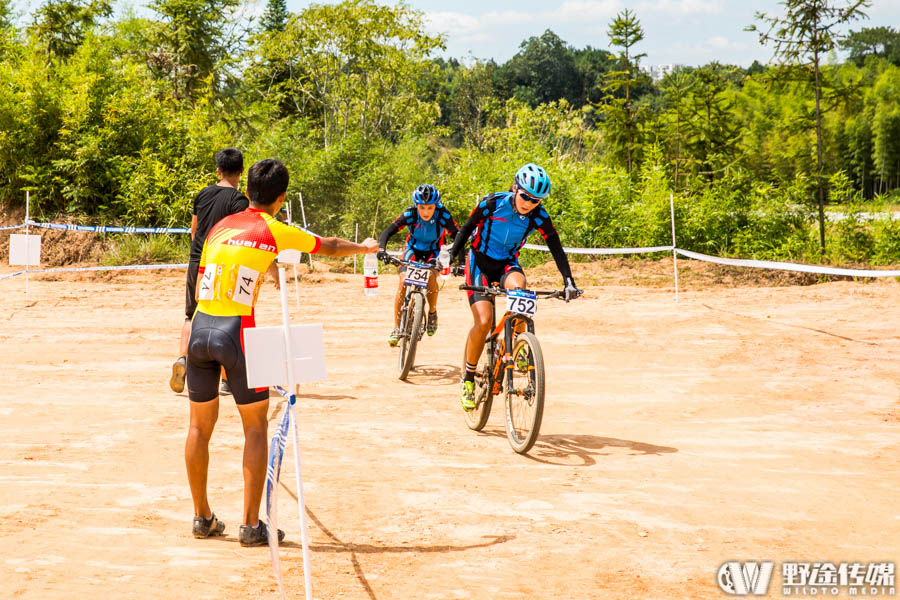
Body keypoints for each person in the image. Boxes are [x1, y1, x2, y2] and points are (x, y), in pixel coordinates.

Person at [184, 158, 378, 546]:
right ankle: (251, 525)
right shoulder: (274, 229)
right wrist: (365, 246)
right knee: (255, 428)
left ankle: (202, 518)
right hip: (237, 331)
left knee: (198, 429)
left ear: (248, 190)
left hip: (199, 330)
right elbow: (329, 246)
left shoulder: (219, 226)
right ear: (281, 197)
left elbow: (203, 275)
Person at [448, 163, 581, 411]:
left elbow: (555, 245)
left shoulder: (538, 216)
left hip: (507, 263)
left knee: (521, 291)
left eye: (536, 200)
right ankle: (468, 377)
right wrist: (451, 255)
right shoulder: (492, 203)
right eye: (526, 196)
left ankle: (518, 344)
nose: (529, 203)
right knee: (484, 321)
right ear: (515, 188)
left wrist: (568, 280)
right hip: (479, 261)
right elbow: (466, 229)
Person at [170, 148, 249, 396]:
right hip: (223, 265)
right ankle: (226, 381)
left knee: (190, 316)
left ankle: (183, 359)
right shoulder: (239, 201)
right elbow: (241, 236)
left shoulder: (202, 194)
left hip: (197, 261)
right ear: (241, 172)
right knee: (226, 319)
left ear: (218, 170)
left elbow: (194, 231)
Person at [376, 184, 458, 345]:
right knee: (403, 281)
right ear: (416, 205)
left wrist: (456, 259)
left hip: (434, 251)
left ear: (436, 205)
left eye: (430, 207)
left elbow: (458, 235)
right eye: (422, 207)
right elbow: (388, 231)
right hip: (412, 249)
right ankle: (397, 327)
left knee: (430, 278)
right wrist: (381, 249)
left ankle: (432, 312)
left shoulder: (443, 214)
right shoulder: (410, 214)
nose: (426, 212)